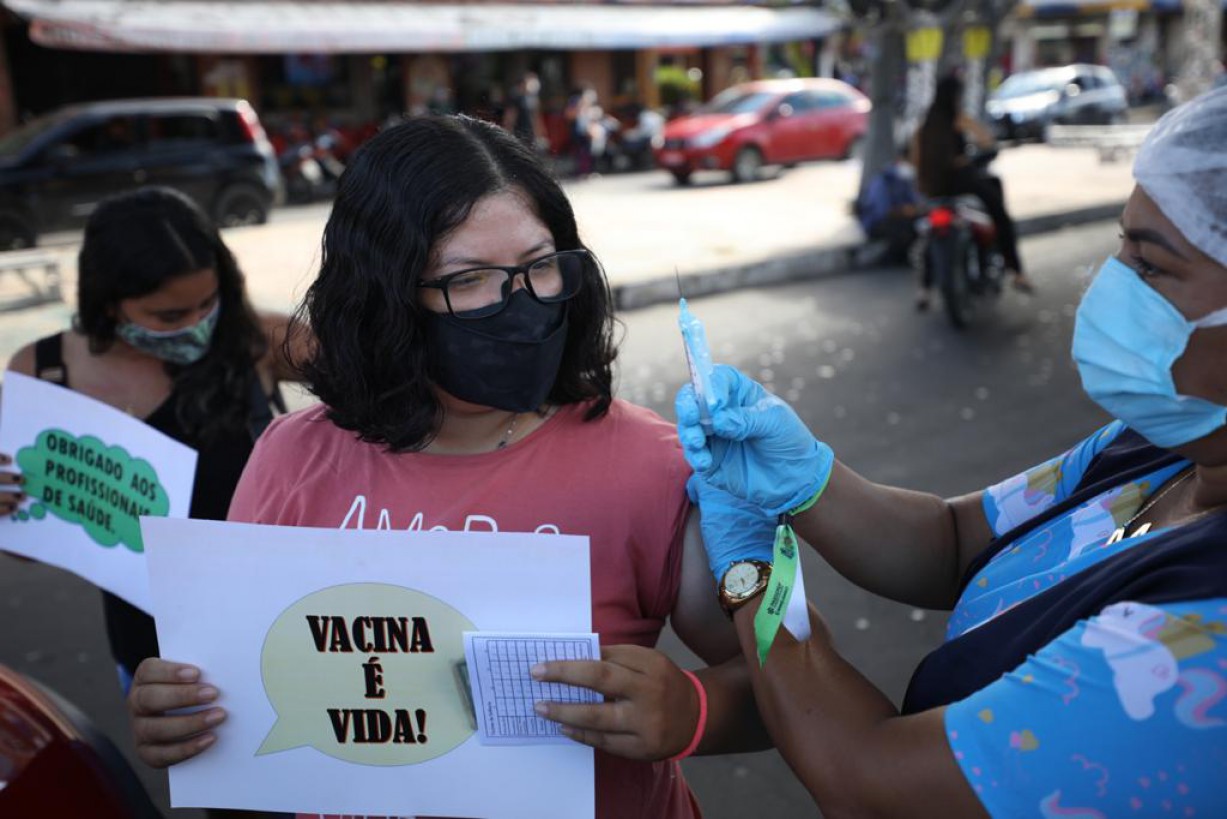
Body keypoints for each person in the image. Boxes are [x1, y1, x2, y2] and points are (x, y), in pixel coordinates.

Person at [538, 87, 1227, 815]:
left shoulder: (1200, 642)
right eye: (1118, 247)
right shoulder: (1161, 446)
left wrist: (751, 576)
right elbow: (954, 542)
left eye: (1149, 268)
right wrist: (809, 480)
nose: (1106, 284)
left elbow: (869, 779)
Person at [122, 115, 767, 819]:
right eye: (468, 279)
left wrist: (693, 711)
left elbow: (791, 692)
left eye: (540, 263)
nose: (518, 302)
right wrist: (180, 714)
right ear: (384, 295)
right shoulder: (289, 456)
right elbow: (242, 697)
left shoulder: (652, 465)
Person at [3, 186, 303, 698]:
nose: (195, 326)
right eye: (168, 317)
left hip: (278, 633)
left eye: (208, 304)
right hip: (153, 658)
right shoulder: (43, 372)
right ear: (108, 302)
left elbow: (386, 398)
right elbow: (35, 543)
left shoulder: (256, 341)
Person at [912, 74, 1033, 308]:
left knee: (928, 235)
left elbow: (915, 161)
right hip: (962, 184)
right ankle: (1017, 272)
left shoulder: (923, 126)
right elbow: (987, 143)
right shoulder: (957, 120)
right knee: (1000, 216)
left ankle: (924, 289)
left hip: (932, 191)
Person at [855, 146, 921, 266]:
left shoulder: (904, 180)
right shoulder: (883, 180)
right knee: (902, 226)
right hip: (876, 222)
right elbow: (882, 211)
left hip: (897, 218)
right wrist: (903, 211)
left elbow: (914, 201)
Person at [503, 71, 544, 150]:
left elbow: (535, 117)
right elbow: (510, 116)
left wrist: (539, 135)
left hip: (529, 135)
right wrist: (508, 134)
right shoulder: (515, 96)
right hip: (518, 134)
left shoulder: (532, 98)